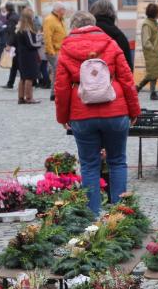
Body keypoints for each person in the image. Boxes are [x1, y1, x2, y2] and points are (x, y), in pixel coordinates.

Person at [54, 11, 140, 215]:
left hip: (82, 114)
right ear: (94, 24)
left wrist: (63, 117)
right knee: (117, 161)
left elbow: (61, 88)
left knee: (89, 165)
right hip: (115, 110)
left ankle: (92, 217)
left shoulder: (67, 48)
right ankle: (121, 214)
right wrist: (134, 110)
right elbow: (127, 80)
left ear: (73, 27)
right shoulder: (111, 43)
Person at [89, 0, 133, 71]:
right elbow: (127, 68)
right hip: (112, 80)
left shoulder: (87, 32)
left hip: (88, 80)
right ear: (112, 13)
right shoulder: (119, 35)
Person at [13, 7, 42, 104]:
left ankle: (21, 98)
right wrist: (40, 41)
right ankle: (29, 97)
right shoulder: (27, 30)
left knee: (23, 77)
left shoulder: (19, 29)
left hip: (21, 56)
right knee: (29, 78)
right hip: (29, 56)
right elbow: (32, 44)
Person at [137, 3, 158, 101]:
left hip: (156, 52)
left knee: (154, 73)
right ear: (154, 13)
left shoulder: (153, 22)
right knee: (152, 73)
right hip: (151, 53)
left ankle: (149, 92)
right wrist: (152, 48)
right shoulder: (147, 24)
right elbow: (146, 40)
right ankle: (140, 88)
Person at [44, 2, 67, 101]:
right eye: (63, 10)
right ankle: (54, 93)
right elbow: (47, 37)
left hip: (61, 50)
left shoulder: (59, 19)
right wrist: (51, 52)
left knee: (57, 72)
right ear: (58, 10)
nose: (64, 12)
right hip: (54, 51)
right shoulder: (49, 20)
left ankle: (55, 93)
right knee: (57, 72)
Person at [1, 3, 21, 89]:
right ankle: (10, 83)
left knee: (16, 64)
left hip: (15, 45)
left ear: (7, 9)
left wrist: (9, 44)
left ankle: (33, 81)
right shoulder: (15, 16)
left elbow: (13, 33)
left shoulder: (12, 18)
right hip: (17, 44)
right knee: (15, 65)